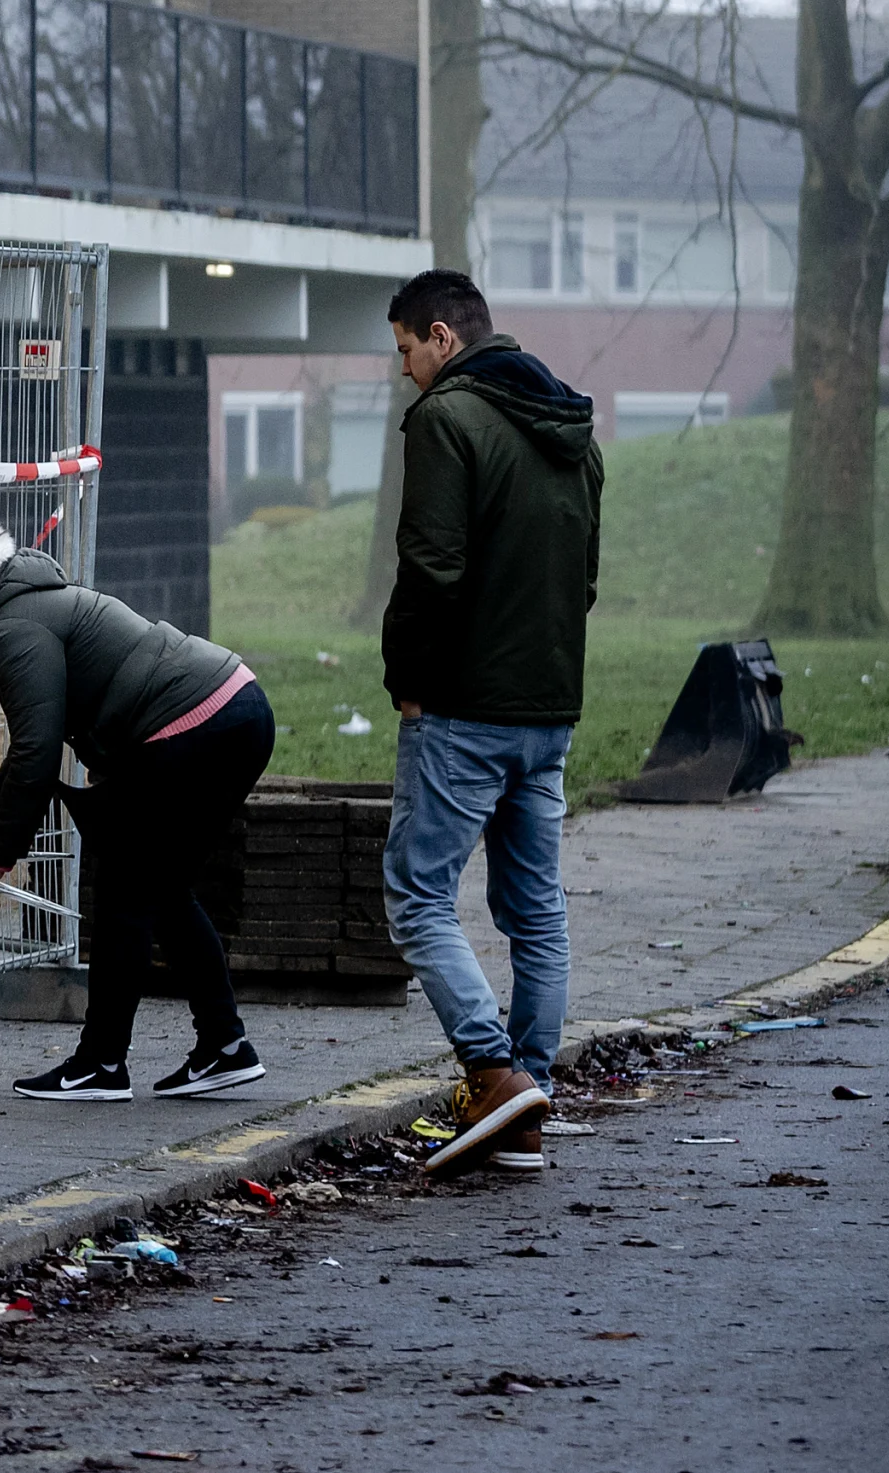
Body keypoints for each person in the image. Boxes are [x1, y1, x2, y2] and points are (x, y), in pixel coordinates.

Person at [0, 507, 276, 1101]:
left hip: (191, 727)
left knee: (124, 892)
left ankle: (101, 1065)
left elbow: (39, 750)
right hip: (234, 708)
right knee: (160, 889)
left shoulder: (9, 632)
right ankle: (224, 1046)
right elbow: (37, 741)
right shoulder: (24, 603)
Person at [377, 267, 602, 1177]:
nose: (403, 372)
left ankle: (495, 1076)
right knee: (535, 910)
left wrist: (407, 680)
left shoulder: (448, 419)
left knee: (419, 894)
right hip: (548, 707)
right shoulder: (575, 433)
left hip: (461, 708)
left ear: (442, 336)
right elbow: (583, 582)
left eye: (404, 350)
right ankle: (530, 1105)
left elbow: (430, 568)